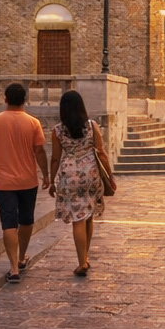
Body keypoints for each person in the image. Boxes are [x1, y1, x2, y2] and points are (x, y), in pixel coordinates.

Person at [0, 82, 49, 283]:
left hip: (4, 182)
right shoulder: (33, 122)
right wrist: (46, 175)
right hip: (28, 180)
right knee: (27, 220)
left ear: (5, 99)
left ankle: (13, 268)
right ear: (25, 100)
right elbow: (39, 151)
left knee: (8, 223)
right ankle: (21, 258)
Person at [48, 90, 108, 277]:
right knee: (88, 215)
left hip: (70, 176)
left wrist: (51, 180)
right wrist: (110, 176)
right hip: (91, 174)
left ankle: (82, 260)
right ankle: (85, 256)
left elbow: (56, 159)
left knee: (78, 218)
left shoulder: (58, 130)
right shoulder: (91, 126)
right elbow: (101, 152)